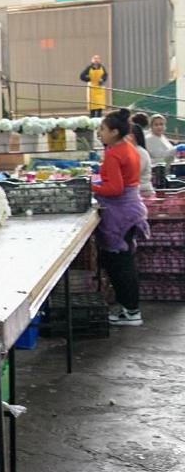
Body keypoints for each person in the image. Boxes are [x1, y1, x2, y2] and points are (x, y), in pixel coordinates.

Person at [93, 109, 150, 326]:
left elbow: (115, 189)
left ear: (115, 132)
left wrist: (92, 186)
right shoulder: (128, 147)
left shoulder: (115, 154)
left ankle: (131, 311)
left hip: (121, 213)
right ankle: (129, 308)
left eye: (103, 129)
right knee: (123, 261)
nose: (100, 133)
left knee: (120, 263)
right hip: (131, 208)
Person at [128, 123, 154, 198]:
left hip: (143, 192)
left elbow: (134, 173)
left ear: (132, 136)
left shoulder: (140, 152)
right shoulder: (131, 151)